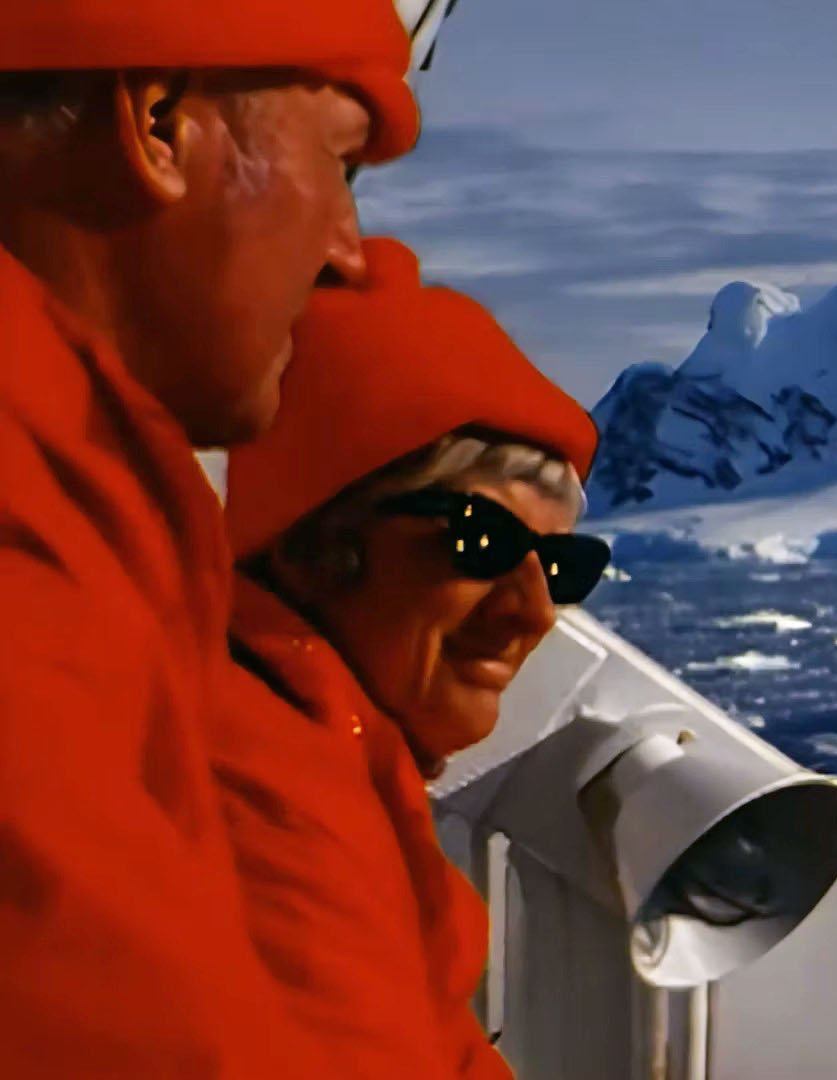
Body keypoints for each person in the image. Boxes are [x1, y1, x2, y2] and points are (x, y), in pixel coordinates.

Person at [0, 2, 419, 1072]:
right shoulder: (28, 546)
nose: (353, 254)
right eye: (341, 166)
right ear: (158, 122)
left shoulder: (80, 509)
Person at [219, 237, 605, 1077]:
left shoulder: (333, 775)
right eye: (480, 540)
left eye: (563, 565)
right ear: (316, 545)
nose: (533, 611)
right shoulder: (265, 814)